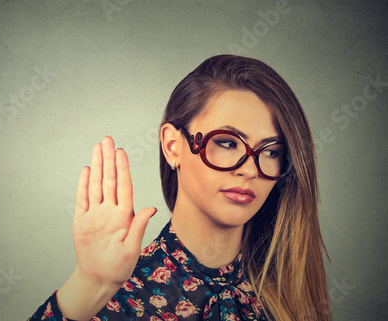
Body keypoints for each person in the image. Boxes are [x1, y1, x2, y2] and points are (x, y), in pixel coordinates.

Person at [28, 55, 331, 321]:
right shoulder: (115, 294)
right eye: (227, 142)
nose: (250, 169)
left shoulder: (292, 289)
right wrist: (88, 285)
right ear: (173, 146)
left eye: (271, 151)